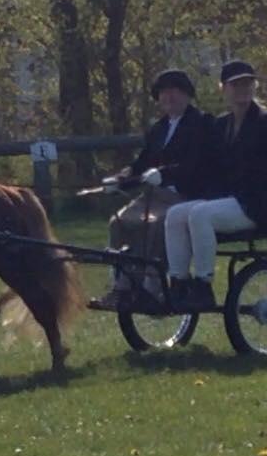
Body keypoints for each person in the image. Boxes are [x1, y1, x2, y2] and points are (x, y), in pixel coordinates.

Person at [163, 59, 267, 311]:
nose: (242, 90)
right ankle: (179, 283)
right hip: (228, 201)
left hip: (259, 206)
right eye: (236, 85)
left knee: (199, 215)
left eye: (247, 83)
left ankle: (203, 284)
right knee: (175, 215)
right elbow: (209, 168)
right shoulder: (221, 125)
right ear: (223, 89)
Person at [89, 69, 215, 311]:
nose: (169, 97)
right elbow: (141, 165)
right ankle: (122, 286)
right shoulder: (158, 129)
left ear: (187, 95)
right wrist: (120, 179)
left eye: (175, 92)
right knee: (119, 222)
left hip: (187, 196)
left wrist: (165, 174)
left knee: (156, 225)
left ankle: (152, 287)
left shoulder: (202, 124)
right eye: (164, 93)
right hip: (154, 196)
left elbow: (198, 163)